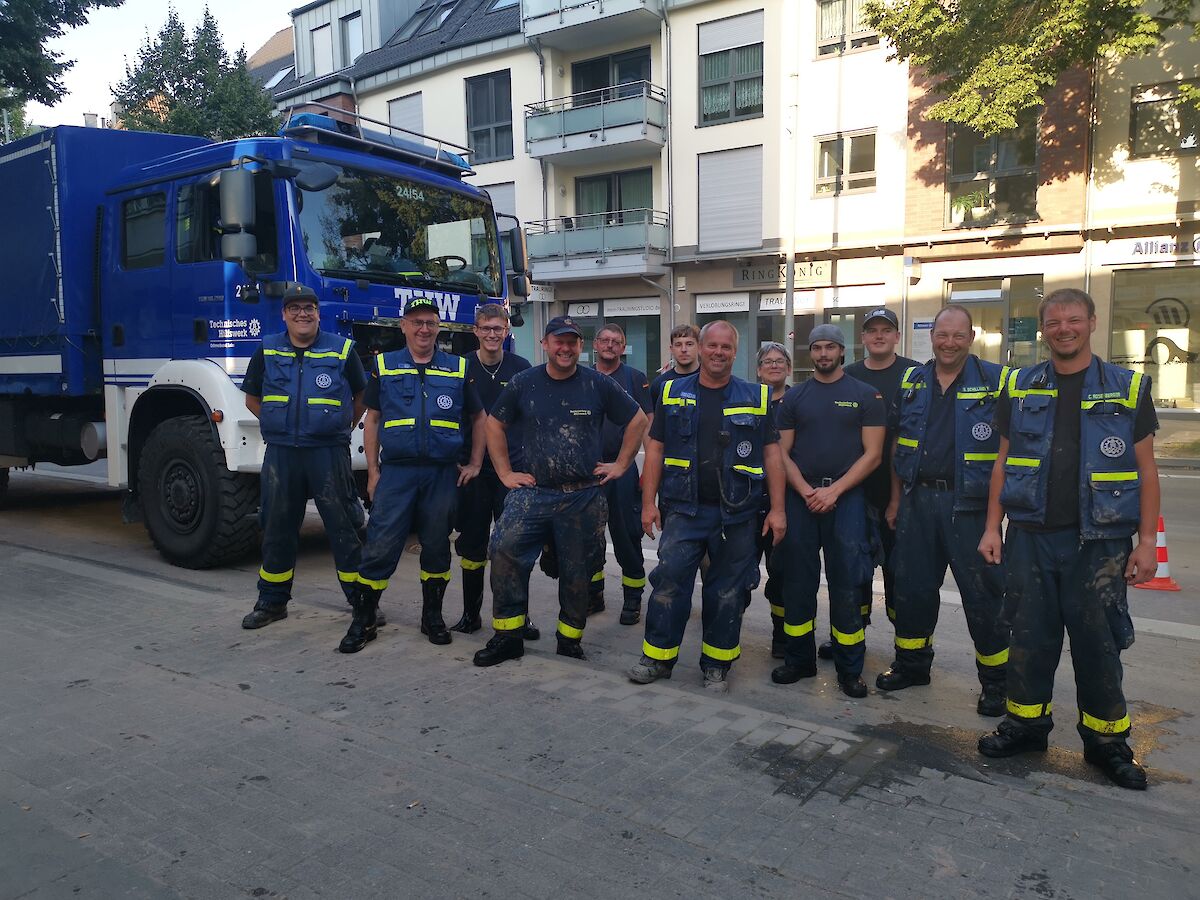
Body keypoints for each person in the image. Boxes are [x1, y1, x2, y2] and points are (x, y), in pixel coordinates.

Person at [977, 288, 1160, 790]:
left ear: (1092, 322)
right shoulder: (1020, 385)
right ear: (1043, 329)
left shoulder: (1126, 387)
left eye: (1073, 320)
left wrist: (1147, 544)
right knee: (1028, 641)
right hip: (1030, 538)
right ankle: (1026, 726)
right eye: (1054, 322)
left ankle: (1107, 744)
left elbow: (1146, 471)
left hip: (1099, 544)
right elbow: (1003, 461)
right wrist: (993, 527)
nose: (1064, 329)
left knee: (1098, 645)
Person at [473, 316, 647, 667]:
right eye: (559, 341)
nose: (565, 348)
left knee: (578, 570)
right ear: (545, 344)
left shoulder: (597, 383)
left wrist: (622, 464)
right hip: (534, 492)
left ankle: (569, 640)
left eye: (572, 342)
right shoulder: (525, 382)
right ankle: (508, 636)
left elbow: (638, 420)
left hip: (582, 496)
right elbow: (493, 424)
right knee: (504, 551)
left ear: (580, 347)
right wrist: (505, 472)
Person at [628, 321, 786, 694]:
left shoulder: (756, 395)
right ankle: (658, 658)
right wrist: (647, 503)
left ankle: (716, 664)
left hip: (738, 513)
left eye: (725, 347)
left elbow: (772, 454)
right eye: (711, 345)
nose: (718, 352)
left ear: (735, 351)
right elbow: (655, 448)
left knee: (728, 592)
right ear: (700, 348)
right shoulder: (671, 391)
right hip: (684, 510)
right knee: (668, 583)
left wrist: (778, 509)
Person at [876, 305, 1009, 715]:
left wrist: (994, 521)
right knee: (912, 590)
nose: (949, 343)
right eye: (942, 334)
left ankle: (997, 684)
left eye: (958, 335)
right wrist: (896, 500)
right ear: (931, 336)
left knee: (983, 598)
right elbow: (898, 445)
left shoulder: (996, 381)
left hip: (968, 506)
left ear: (971, 337)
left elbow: (1008, 452)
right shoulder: (912, 380)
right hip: (917, 502)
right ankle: (913, 666)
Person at [339, 297, 485, 653]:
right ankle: (365, 619)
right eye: (416, 322)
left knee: (436, 546)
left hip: (441, 474)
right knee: (380, 546)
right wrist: (372, 472)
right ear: (403, 326)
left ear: (439, 328)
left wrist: (476, 463)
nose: (424, 329)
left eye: (430, 323)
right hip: (397, 474)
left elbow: (479, 418)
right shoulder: (384, 365)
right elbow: (371, 419)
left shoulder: (457, 367)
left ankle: (431, 617)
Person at [240, 287, 368, 632]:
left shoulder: (342, 349)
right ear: (283, 315)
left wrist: (340, 426)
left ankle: (362, 604)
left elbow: (361, 397)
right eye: (294, 308)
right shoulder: (266, 349)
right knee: (277, 529)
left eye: (308, 308)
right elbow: (253, 398)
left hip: (328, 454)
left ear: (317, 313)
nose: (302, 314)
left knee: (344, 529)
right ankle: (271, 602)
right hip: (281, 455)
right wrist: (276, 424)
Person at [771, 325, 884, 698]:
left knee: (847, 583)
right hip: (801, 498)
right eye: (816, 347)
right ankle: (798, 660)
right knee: (797, 581)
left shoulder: (866, 395)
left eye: (830, 347)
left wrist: (833, 490)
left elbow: (873, 455)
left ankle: (850, 669)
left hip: (846, 499)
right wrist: (806, 491)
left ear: (841, 350)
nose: (823, 354)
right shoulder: (794, 399)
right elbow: (780, 454)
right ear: (809, 353)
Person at [450, 304, 540, 641]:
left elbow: (533, 420)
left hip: (513, 473)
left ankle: (520, 616)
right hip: (471, 472)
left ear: (507, 332)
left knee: (514, 547)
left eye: (497, 329)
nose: (491, 334)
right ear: (475, 331)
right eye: (485, 328)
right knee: (472, 547)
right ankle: (470, 615)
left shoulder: (521, 369)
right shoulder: (460, 368)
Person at [832, 308, 918, 658]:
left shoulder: (915, 375)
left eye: (886, 330)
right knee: (855, 571)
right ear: (863, 338)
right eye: (872, 331)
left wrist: (898, 498)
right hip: (857, 492)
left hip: (904, 494)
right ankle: (853, 640)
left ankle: (906, 649)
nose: (879, 336)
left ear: (897, 336)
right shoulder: (848, 376)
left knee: (902, 575)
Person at [752, 341, 792, 658]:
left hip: (785, 504)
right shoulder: (748, 401)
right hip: (749, 503)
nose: (774, 365)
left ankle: (782, 637)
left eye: (780, 361)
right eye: (768, 361)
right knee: (737, 574)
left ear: (788, 368)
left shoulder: (799, 402)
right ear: (758, 370)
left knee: (782, 576)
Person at [649, 324, 700, 405]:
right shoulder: (659, 384)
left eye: (689, 344)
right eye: (678, 345)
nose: (684, 349)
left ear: (699, 347)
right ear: (671, 349)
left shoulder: (710, 379)